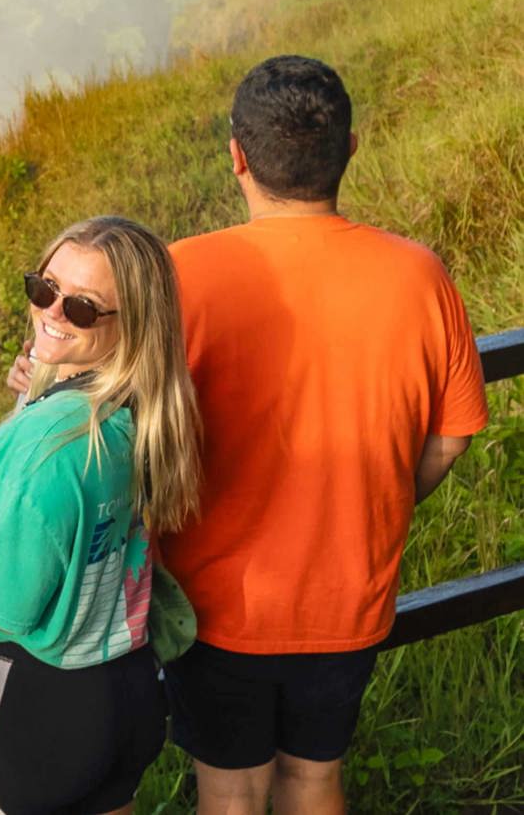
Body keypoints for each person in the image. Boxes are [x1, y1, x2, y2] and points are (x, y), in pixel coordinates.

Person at [159, 56, 489, 815]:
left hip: (214, 604)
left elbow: (132, 428)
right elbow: (454, 434)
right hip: (350, 593)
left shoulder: (182, 274)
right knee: (314, 778)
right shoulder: (420, 276)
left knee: (231, 791)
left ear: (236, 155)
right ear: (349, 149)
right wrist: (382, 498)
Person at [0, 215, 202, 815]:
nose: (51, 312)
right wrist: (36, 391)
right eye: (45, 290)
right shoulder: (136, 414)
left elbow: (5, 597)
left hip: (18, 706)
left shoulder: (51, 449)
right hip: (118, 690)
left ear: (133, 325)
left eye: (82, 309)